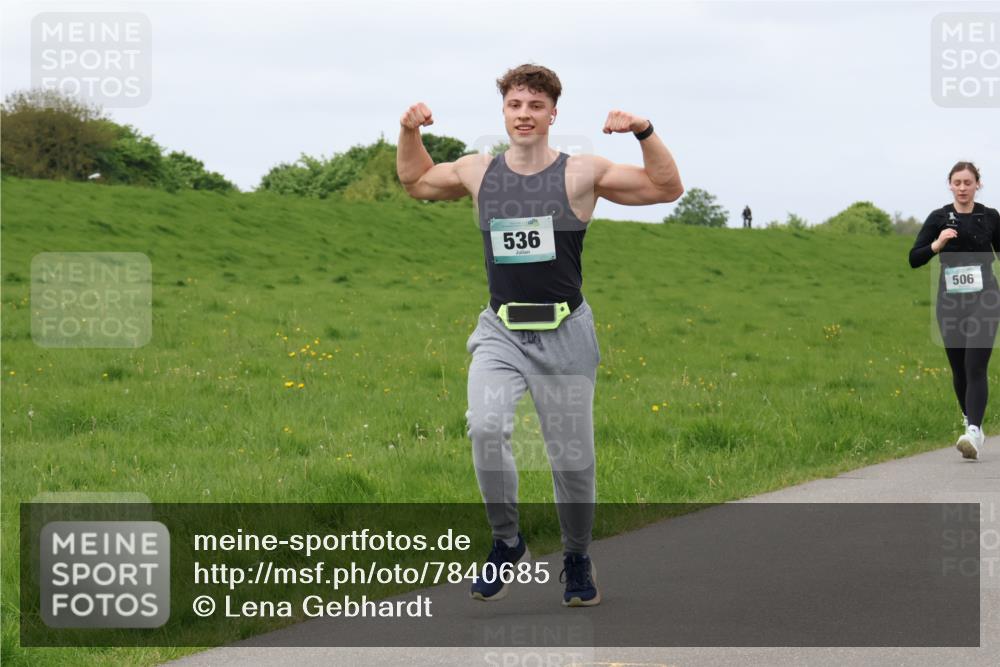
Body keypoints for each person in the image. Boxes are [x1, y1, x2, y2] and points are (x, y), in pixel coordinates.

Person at [397, 64, 683, 606]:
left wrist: (644, 131)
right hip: (501, 330)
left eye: (535, 106)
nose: (524, 115)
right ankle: (507, 543)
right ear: (503, 111)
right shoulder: (478, 171)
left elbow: (666, 188)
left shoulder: (581, 173)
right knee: (485, 427)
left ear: (553, 113)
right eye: (514, 105)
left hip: (565, 333)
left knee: (571, 460)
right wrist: (410, 132)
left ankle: (577, 557)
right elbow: (415, 181)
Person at [909, 161, 1000, 460]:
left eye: (968, 182)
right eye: (957, 183)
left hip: (985, 298)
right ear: (950, 185)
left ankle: (973, 430)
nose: (962, 188)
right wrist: (938, 244)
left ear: (977, 185)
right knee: (959, 368)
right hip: (950, 302)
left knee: (975, 365)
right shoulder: (938, 218)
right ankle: (969, 419)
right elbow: (914, 258)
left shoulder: (990, 217)